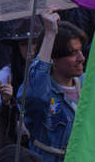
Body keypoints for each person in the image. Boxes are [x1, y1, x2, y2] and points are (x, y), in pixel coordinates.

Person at [21, 10, 87, 162]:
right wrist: (50, 34)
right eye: (72, 53)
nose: (81, 58)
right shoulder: (38, 89)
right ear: (54, 59)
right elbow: (36, 94)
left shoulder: (88, 84)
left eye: (80, 51)